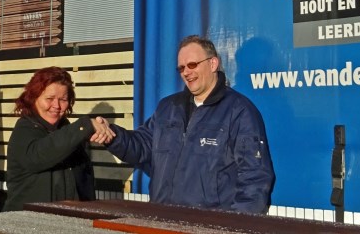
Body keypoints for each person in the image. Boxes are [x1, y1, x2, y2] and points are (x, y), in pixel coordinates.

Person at [105, 35, 275, 214]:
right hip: (161, 221)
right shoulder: (167, 108)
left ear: (213, 64)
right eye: (181, 68)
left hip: (209, 227)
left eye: (192, 65)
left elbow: (255, 179)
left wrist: (234, 227)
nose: (186, 72)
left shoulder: (239, 111)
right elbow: (140, 147)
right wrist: (111, 136)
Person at [2, 67, 115, 211]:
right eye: (49, 98)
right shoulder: (24, 130)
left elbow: (85, 183)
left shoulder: (70, 133)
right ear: (34, 98)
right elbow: (40, 156)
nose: (56, 105)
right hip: (27, 224)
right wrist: (83, 126)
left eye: (63, 99)